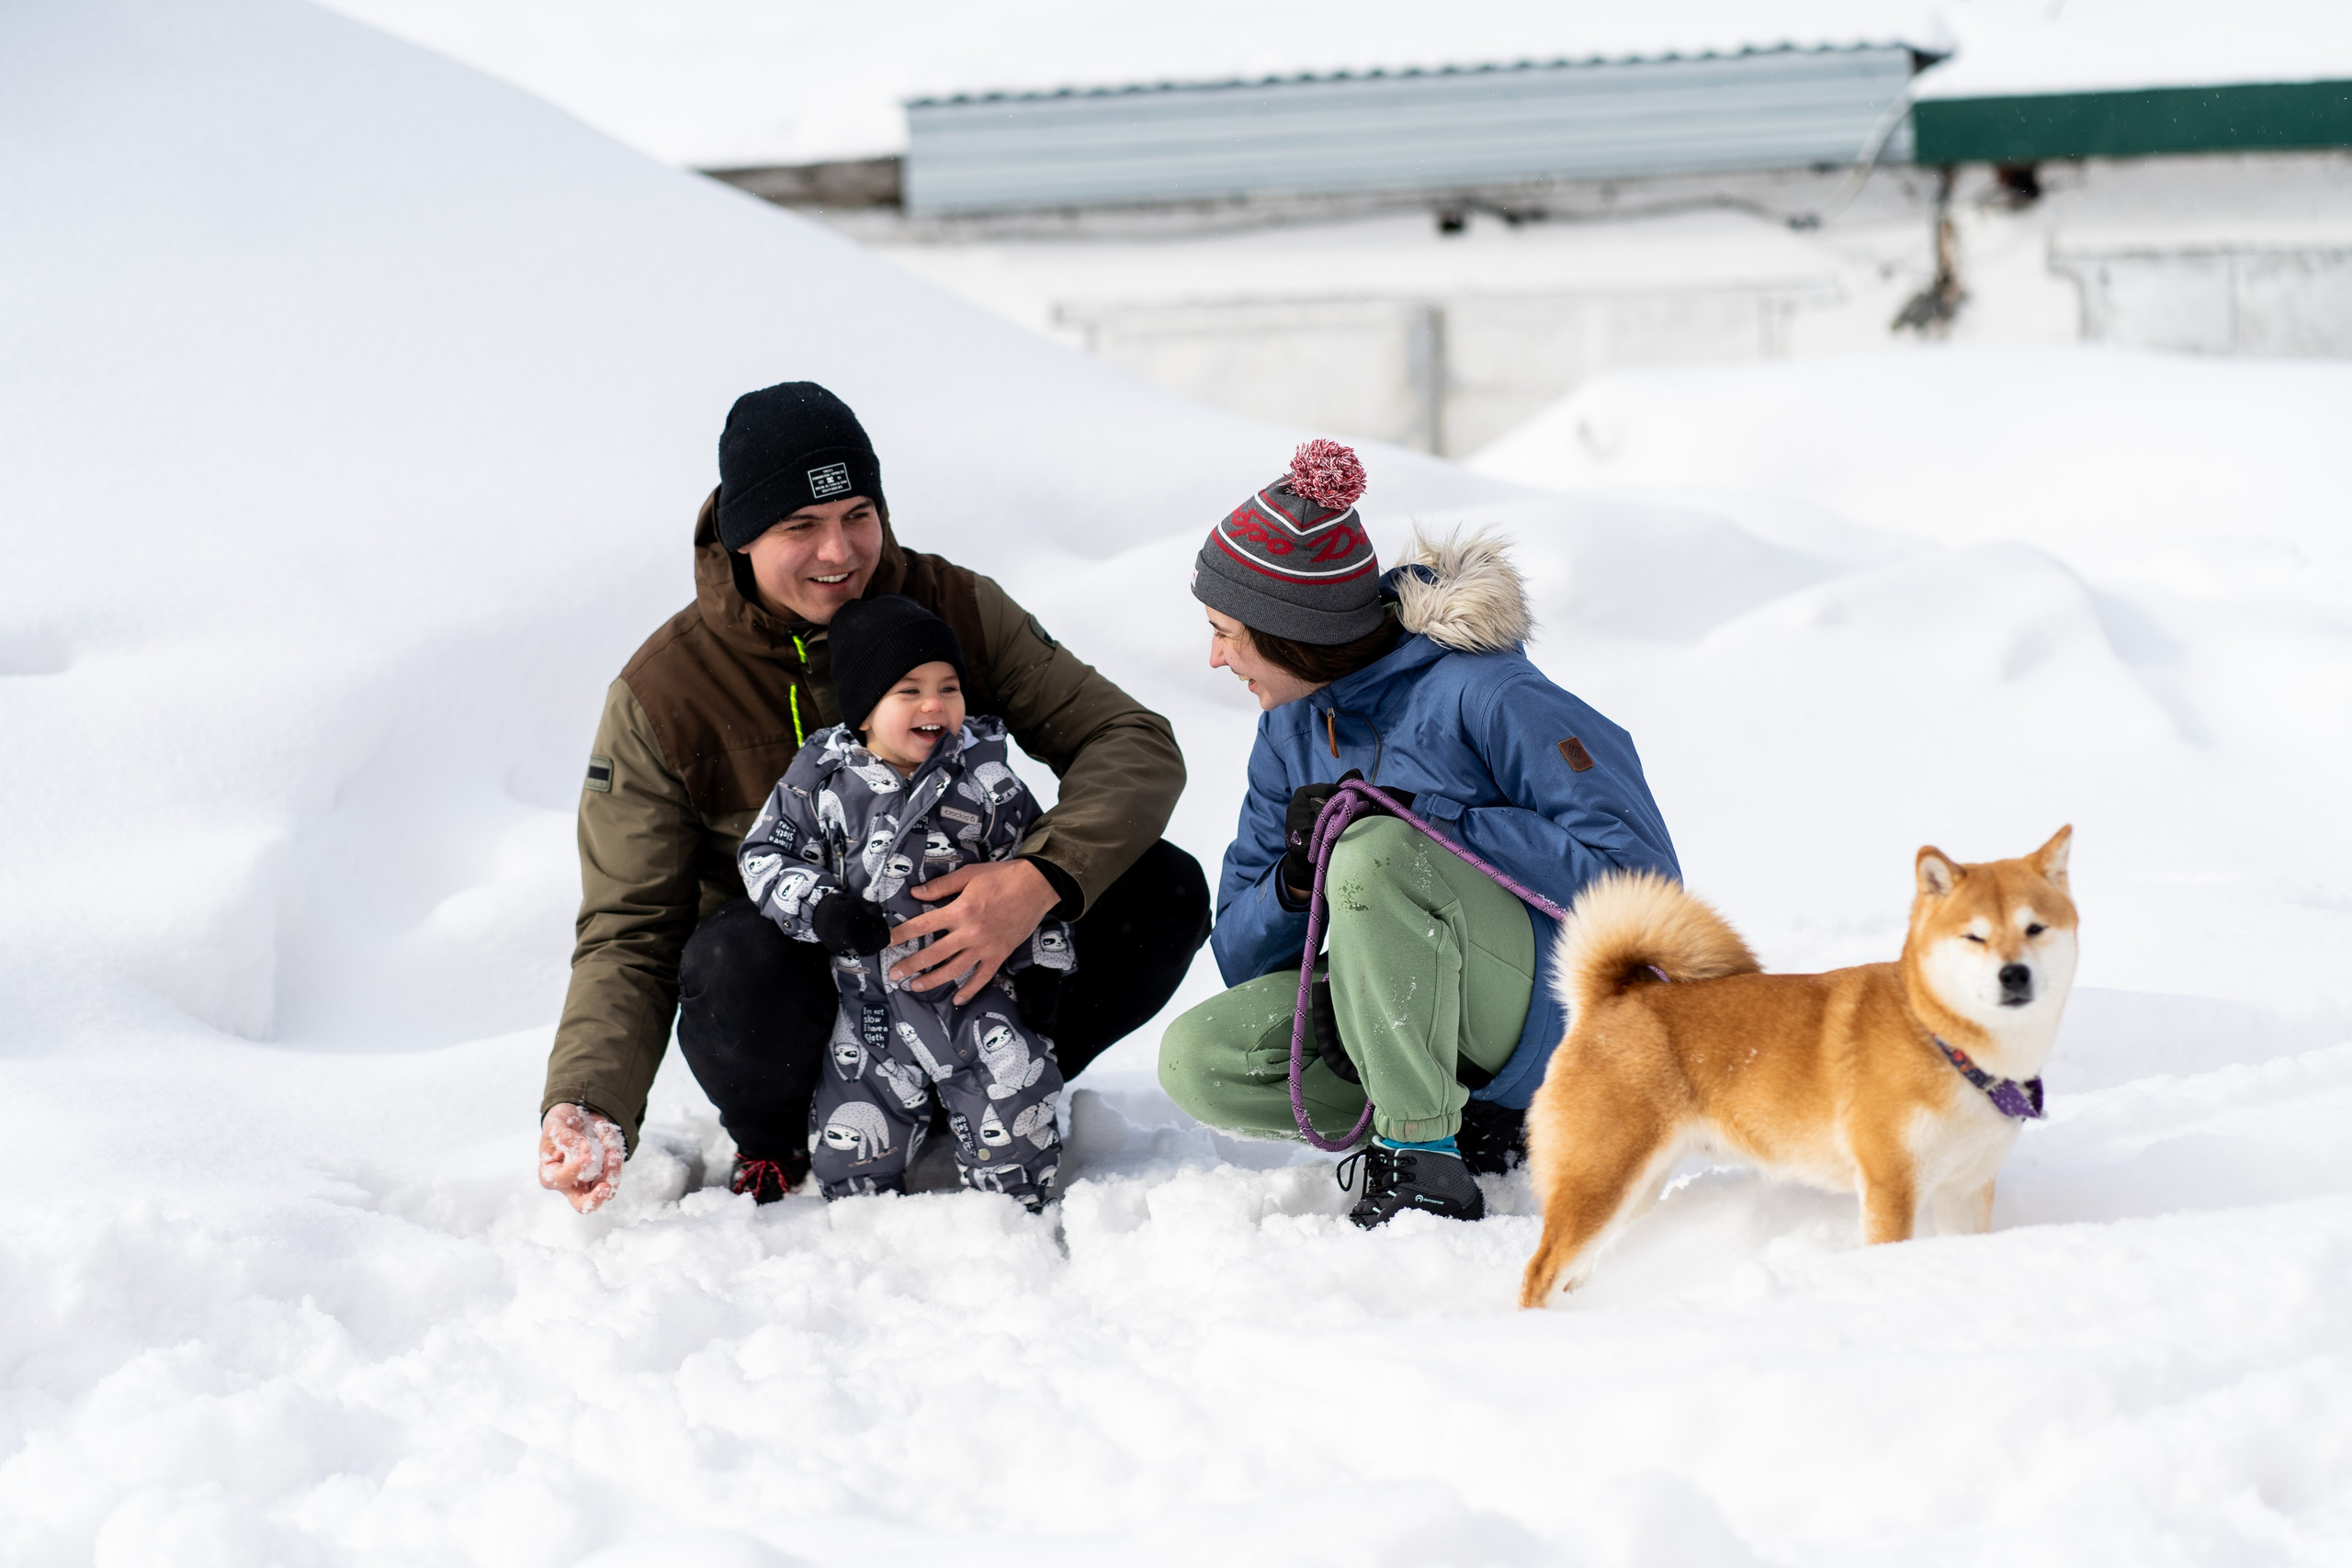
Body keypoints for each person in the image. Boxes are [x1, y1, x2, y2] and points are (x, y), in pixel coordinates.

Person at [538, 382, 1207, 1212]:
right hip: (811, 991)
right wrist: (589, 1099)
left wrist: (1035, 880)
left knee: (1160, 886)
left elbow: (1129, 740)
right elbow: (629, 928)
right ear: (744, 537)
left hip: (978, 970)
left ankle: (1002, 1086)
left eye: (858, 514)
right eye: (800, 527)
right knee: (729, 960)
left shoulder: (953, 605)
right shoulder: (665, 692)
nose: (839, 550)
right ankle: (786, 1139)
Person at [1157, 440, 1680, 1226]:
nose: (1214, 656)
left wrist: (1432, 821)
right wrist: (1296, 882)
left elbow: (1643, 886)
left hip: (1567, 1024)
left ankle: (1422, 1158)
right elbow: (1239, 952)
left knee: (1376, 851)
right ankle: (1446, 1119)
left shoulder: (1486, 691)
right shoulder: (1288, 732)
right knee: (1198, 1059)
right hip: (1432, 1024)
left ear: (1292, 628)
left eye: (1227, 631)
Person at [740, 594, 1068, 1209]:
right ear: (864, 708)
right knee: (855, 1131)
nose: (934, 705)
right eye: (908, 690)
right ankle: (865, 1227)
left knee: (1013, 1093)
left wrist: (1043, 964)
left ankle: (1010, 1216)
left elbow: (1032, 871)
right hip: (868, 1005)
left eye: (949, 687)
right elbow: (764, 857)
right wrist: (823, 907)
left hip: (978, 992)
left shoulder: (987, 781)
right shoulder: (821, 781)